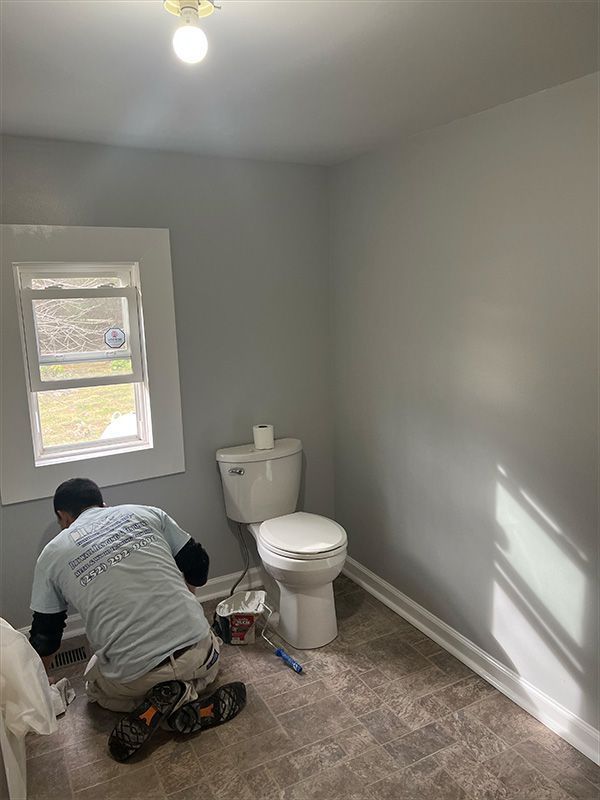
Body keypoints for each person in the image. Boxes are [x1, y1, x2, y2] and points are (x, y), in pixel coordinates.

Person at [28, 478, 246, 761]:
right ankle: (188, 700)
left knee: (94, 686)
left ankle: (167, 704)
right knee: (209, 661)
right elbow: (199, 564)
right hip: (198, 652)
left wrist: (38, 688)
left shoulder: (52, 555)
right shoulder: (145, 512)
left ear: (63, 516)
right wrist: (187, 600)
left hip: (135, 673)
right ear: (102, 504)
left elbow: (45, 637)